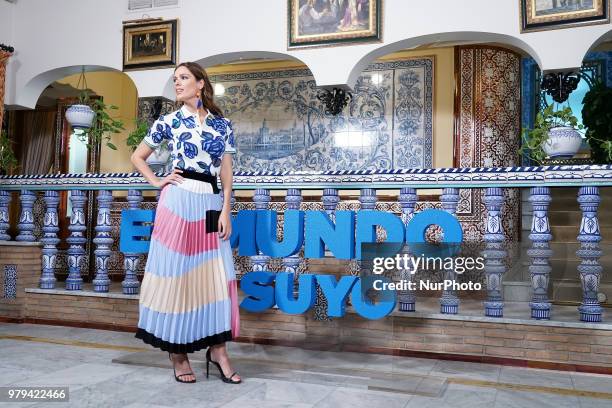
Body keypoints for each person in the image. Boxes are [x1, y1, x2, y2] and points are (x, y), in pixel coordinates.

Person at [130, 61, 241, 384]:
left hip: (209, 202)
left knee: (214, 277)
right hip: (177, 200)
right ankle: (177, 354)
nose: (177, 84)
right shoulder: (167, 121)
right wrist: (156, 180)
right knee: (174, 274)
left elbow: (226, 171)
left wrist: (225, 209)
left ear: (200, 83)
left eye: (183, 78)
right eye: (174, 79)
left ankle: (218, 351)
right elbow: (138, 156)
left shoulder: (222, 125)